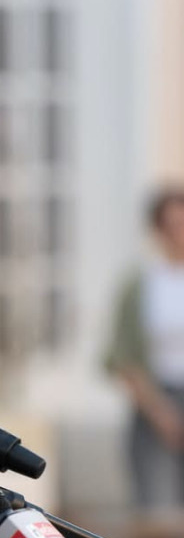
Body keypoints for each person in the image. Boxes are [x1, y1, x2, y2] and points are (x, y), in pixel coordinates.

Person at [105, 185, 184, 508]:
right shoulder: (141, 283)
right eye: (171, 226)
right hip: (154, 403)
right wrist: (159, 412)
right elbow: (122, 355)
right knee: (156, 507)